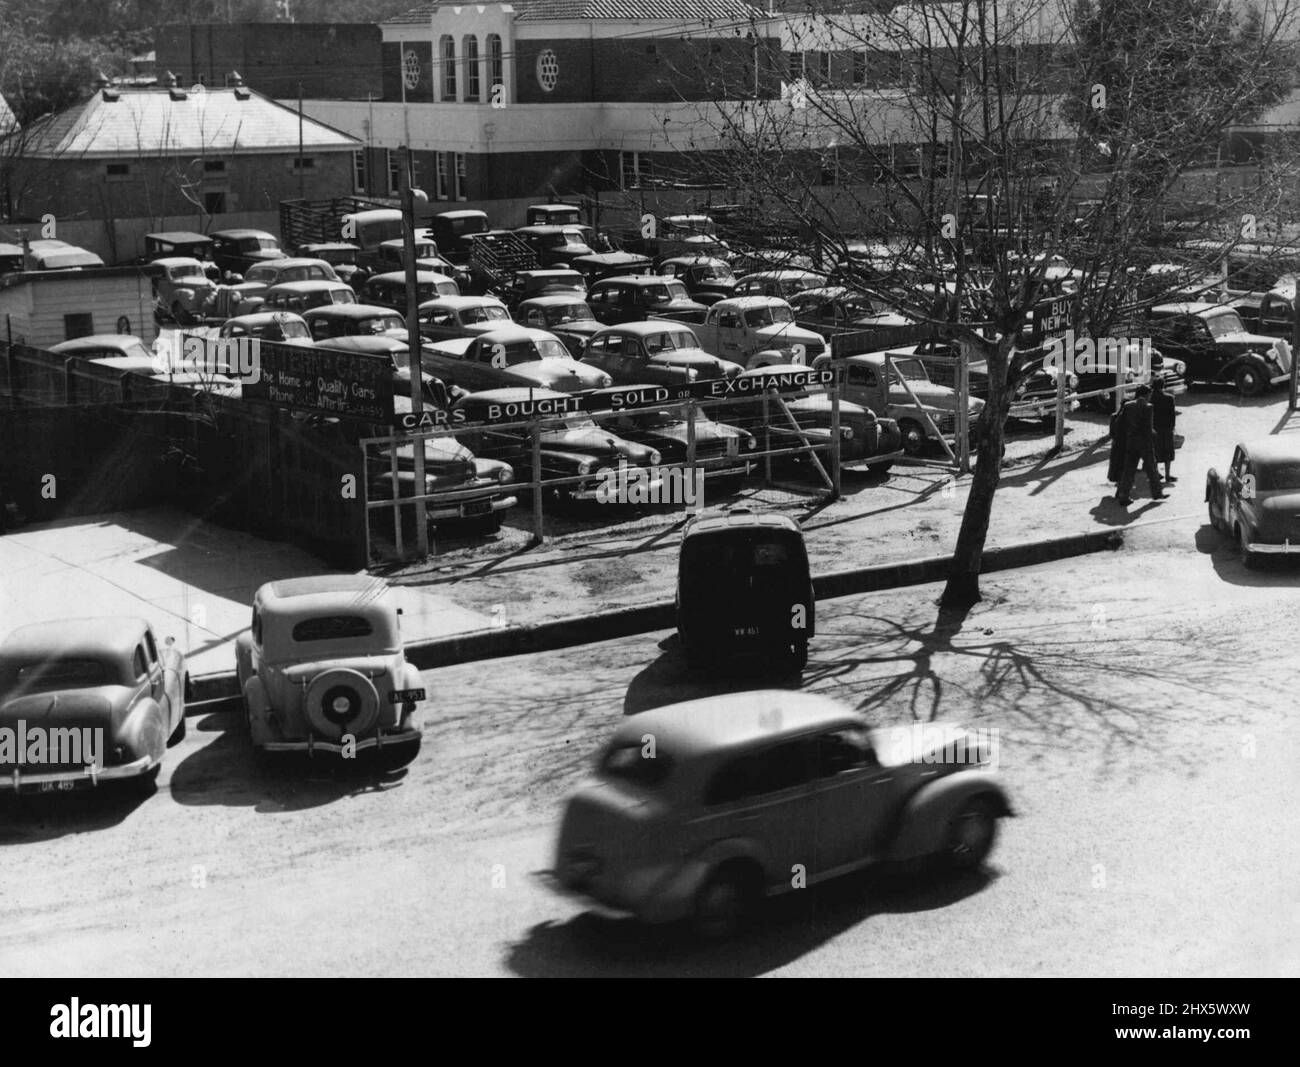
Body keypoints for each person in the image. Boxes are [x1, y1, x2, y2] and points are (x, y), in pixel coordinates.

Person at [1116, 385, 1165, 506]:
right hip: (1144, 443)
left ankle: (1124, 495)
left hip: (1131, 441)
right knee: (1151, 469)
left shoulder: (1128, 406)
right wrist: (1153, 439)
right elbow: (1148, 428)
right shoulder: (1148, 407)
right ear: (1146, 395)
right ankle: (1157, 493)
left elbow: (1120, 423)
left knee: (1129, 470)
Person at [1151, 377, 1179, 483]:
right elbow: (1172, 415)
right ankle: (1167, 475)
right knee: (1168, 452)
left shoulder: (1150, 398)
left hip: (1154, 428)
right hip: (1167, 428)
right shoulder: (1169, 398)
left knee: (1155, 451)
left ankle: (1157, 474)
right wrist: (1172, 427)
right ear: (1163, 386)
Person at [1107, 402, 1127, 483]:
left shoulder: (1114, 416)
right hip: (1124, 444)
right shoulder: (1128, 417)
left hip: (1116, 443)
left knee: (1116, 463)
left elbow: (1111, 433)